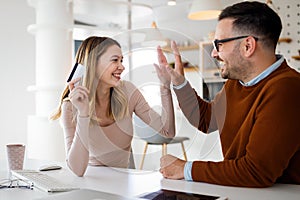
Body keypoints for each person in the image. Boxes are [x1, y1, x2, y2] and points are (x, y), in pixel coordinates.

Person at [158, 1, 300, 187]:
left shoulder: (287, 88)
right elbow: (206, 121)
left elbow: (256, 172)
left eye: (219, 44)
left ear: (248, 46)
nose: (215, 53)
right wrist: (180, 84)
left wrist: (185, 169)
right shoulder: (236, 84)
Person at [50, 36, 175, 176]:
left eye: (121, 60)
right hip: (91, 185)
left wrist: (165, 87)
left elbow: (167, 131)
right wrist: (83, 113)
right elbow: (77, 170)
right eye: (115, 60)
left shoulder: (128, 91)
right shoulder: (71, 106)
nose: (121, 66)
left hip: (123, 186)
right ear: (93, 63)